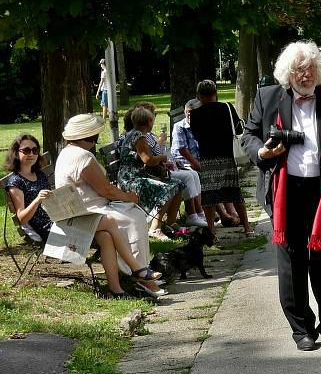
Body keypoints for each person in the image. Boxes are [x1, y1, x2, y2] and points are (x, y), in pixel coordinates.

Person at [240, 41, 321, 351]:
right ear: (287, 73)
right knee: (292, 262)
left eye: (311, 68)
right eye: (298, 69)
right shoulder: (267, 97)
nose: (305, 74)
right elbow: (249, 136)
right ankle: (302, 330)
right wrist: (262, 151)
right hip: (285, 191)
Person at [5, 134, 163, 298]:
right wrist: (38, 199)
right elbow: (22, 217)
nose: (31, 154)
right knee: (109, 220)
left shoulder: (39, 174)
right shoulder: (15, 182)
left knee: (106, 236)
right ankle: (137, 269)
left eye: (35, 150)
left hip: (60, 217)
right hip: (49, 229)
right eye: (26, 150)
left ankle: (116, 290)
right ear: (16, 153)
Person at [55, 114, 166, 297]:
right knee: (132, 219)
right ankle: (141, 274)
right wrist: (129, 197)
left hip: (81, 210)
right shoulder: (83, 157)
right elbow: (105, 190)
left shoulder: (68, 152)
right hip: (86, 212)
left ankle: (122, 285)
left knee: (111, 232)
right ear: (90, 135)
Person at [190, 80, 254, 238]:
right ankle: (247, 228)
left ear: (199, 96)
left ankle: (212, 231)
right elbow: (238, 128)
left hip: (208, 158)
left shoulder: (196, 114)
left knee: (210, 198)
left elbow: (196, 136)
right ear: (215, 92)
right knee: (235, 194)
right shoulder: (227, 107)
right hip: (226, 156)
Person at [117, 106, 184, 241]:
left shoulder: (135, 134)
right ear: (148, 122)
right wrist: (163, 158)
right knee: (168, 188)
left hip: (137, 175)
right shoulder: (139, 136)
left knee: (179, 184)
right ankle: (155, 227)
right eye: (152, 120)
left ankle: (171, 223)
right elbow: (148, 160)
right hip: (130, 179)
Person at [171, 99, 240, 227]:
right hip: (184, 162)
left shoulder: (204, 123)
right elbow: (182, 150)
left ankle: (231, 212)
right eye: (187, 113)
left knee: (221, 173)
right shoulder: (180, 126)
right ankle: (223, 216)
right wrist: (199, 165)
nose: (189, 115)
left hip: (203, 160)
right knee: (208, 177)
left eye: (192, 113)